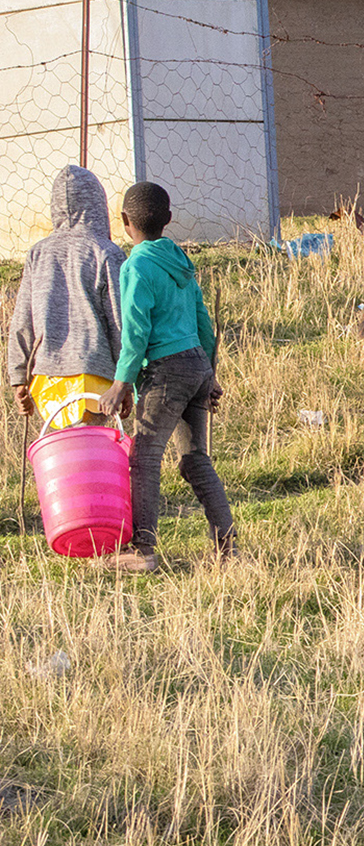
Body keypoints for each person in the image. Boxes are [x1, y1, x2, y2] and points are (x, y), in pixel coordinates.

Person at [98, 182, 234, 572]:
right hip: (195, 363)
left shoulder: (136, 265)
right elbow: (203, 322)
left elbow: (136, 332)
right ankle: (227, 548)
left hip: (166, 369)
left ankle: (143, 551)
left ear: (124, 222)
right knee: (194, 459)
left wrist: (121, 381)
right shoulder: (180, 261)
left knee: (144, 458)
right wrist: (209, 373)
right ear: (169, 220)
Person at [7, 166, 124, 429]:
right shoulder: (106, 252)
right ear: (99, 205)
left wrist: (18, 377)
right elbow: (119, 321)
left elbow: (22, 320)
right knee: (90, 458)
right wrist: (125, 380)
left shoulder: (38, 254)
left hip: (47, 378)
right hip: (94, 374)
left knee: (64, 460)